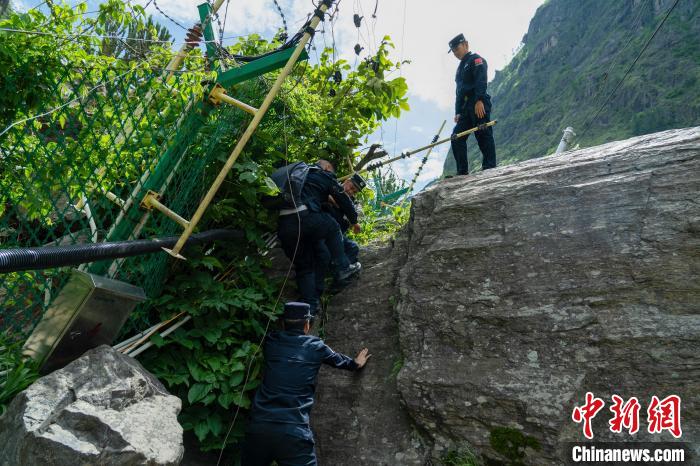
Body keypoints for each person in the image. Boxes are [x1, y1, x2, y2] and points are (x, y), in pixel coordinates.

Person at [241, 302, 371, 466]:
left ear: (283, 324)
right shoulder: (316, 347)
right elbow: (342, 362)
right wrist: (356, 363)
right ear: (307, 325)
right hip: (293, 430)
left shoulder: (271, 341)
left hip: (259, 429)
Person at [276, 160, 360, 315]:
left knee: (304, 267)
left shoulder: (297, 176)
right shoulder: (322, 175)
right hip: (305, 218)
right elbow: (342, 199)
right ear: (327, 168)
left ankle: (309, 309)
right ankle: (343, 268)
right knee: (332, 228)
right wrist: (354, 221)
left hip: (285, 226)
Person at [448, 33, 496, 175]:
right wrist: (458, 111)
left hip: (478, 103)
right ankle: (462, 172)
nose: (456, 53)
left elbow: (481, 80)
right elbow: (459, 92)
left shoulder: (476, 60)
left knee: (483, 133)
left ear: (466, 44)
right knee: (456, 137)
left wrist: (479, 100)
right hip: (465, 109)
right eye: (453, 51)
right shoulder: (459, 69)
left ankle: (489, 168)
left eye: (457, 49)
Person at [314, 173, 366, 296]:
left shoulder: (353, 204)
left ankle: (339, 277)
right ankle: (335, 273)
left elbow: (355, 218)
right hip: (320, 232)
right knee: (323, 253)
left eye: (354, 191)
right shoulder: (331, 187)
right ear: (347, 181)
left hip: (337, 237)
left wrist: (340, 203)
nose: (351, 191)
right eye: (351, 187)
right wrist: (336, 201)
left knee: (353, 247)